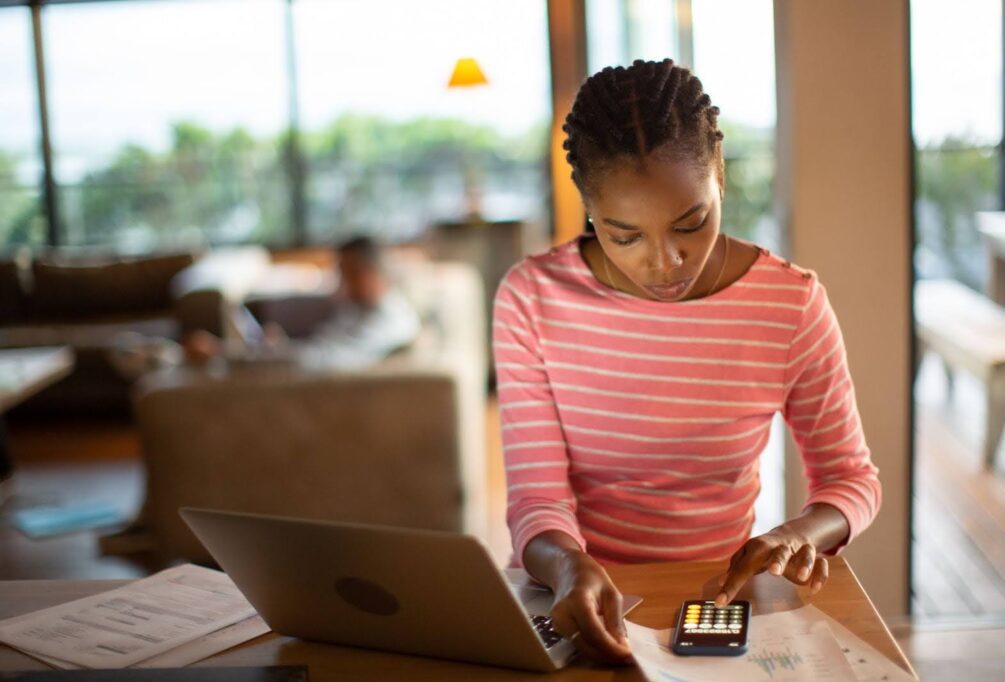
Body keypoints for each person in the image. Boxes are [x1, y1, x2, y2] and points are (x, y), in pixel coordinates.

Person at [492, 59, 882, 665]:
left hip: (706, 603)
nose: (666, 261)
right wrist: (569, 566)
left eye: (691, 223)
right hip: (566, 599)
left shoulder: (790, 304)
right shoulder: (531, 298)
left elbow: (850, 479)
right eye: (625, 236)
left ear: (720, 176)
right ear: (589, 207)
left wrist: (795, 535)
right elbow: (536, 499)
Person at [181, 236, 420, 370]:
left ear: (365, 274)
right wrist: (279, 347)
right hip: (296, 366)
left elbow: (318, 362)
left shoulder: (387, 319)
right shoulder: (360, 306)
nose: (340, 282)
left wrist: (223, 352)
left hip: (303, 385)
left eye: (344, 274)